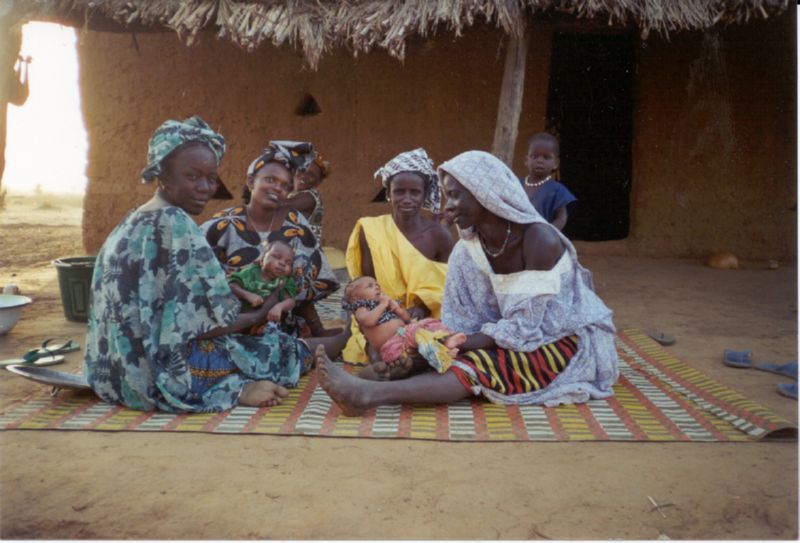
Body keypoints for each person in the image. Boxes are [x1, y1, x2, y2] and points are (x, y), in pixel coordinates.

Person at [315, 150, 619, 415]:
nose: (448, 206)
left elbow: (528, 326)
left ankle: (368, 395)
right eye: (448, 195)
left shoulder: (539, 240)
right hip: (506, 333)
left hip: (562, 337)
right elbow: (462, 318)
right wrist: (434, 348)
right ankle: (400, 373)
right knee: (444, 353)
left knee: (479, 363)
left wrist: (455, 346)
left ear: (485, 193)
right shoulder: (467, 250)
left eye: (457, 195)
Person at [84, 117, 348, 413]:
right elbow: (208, 326)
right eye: (193, 176)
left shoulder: (133, 218)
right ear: (163, 174)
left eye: (211, 178)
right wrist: (259, 311)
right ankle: (341, 342)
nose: (206, 188)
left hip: (113, 373)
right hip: (155, 375)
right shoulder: (181, 224)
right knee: (275, 349)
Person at [202, 141, 340, 337]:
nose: (277, 188)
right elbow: (194, 275)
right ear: (251, 182)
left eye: (285, 185)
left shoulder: (295, 224)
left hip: (280, 327)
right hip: (227, 326)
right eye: (270, 179)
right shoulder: (224, 224)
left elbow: (310, 282)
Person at [342, 148, 455, 363]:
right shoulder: (371, 229)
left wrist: (421, 308)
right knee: (376, 349)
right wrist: (385, 312)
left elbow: (449, 285)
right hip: (381, 313)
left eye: (415, 192)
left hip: (426, 316)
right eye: (399, 191)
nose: (407, 199)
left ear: (425, 195)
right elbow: (366, 283)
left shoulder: (439, 235)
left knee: (434, 343)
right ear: (388, 193)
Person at [342, 276, 466, 379]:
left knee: (427, 323)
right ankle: (444, 344)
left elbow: (407, 319)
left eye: (376, 284)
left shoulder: (383, 304)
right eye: (370, 286)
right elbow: (368, 321)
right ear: (355, 298)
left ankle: (442, 346)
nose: (376, 286)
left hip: (406, 338)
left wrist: (397, 309)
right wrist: (383, 305)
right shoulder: (362, 308)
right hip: (392, 347)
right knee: (417, 334)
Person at [228, 239, 297, 323]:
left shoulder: (285, 281)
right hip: (238, 318)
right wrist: (247, 295)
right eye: (277, 257)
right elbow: (232, 285)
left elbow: (290, 301)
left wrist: (280, 307)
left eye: (288, 263)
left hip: (266, 323)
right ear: (262, 260)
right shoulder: (251, 272)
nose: (282, 263)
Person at [522, 132, 576, 231]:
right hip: (514, 238)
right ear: (526, 160)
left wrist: (548, 232)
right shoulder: (517, 185)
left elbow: (561, 218)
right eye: (534, 156)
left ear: (556, 163)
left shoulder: (558, 190)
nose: (540, 161)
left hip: (541, 239)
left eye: (546, 157)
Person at [282, 150, 330, 241]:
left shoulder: (310, 197)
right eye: (302, 170)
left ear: (318, 182)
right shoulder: (292, 193)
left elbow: (282, 206)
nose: (304, 176)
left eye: (311, 175)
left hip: (304, 251)